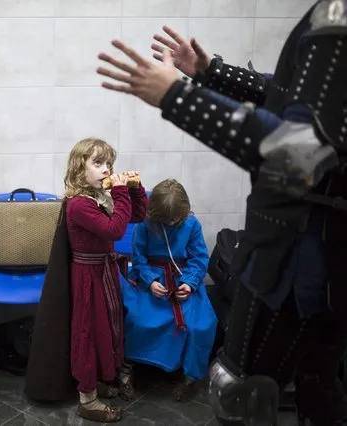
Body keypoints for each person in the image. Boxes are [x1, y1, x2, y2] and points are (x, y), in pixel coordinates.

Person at [96, 1, 347, 424]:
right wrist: (212, 71)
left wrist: (177, 96)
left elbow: (303, 154)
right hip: (305, 251)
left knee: (242, 391)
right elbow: (290, 99)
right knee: (315, 381)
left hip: (304, 261)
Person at [25, 138, 149, 422]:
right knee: (88, 333)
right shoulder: (79, 205)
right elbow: (115, 230)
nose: (106, 169)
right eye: (98, 163)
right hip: (86, 278)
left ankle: (101, 380)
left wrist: (134, 189)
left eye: (109, 163)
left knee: (108, 329)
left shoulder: (100, 196)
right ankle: (87, 399)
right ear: (79, 168)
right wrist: (119, 193)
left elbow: (138, 214)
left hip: (104, 273)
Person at [123, 178, 217, 401]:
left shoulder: (192, 225)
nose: (171, 223)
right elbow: (139, 259)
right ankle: (127, 369)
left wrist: (190, 283)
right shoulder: (145, 225)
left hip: (182, 279)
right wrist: (149, 281)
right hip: (153, 280)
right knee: (137, 320)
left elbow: (199, 258)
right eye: (165, 220)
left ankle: (189, 377)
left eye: (175, 220)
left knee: (202, 324)